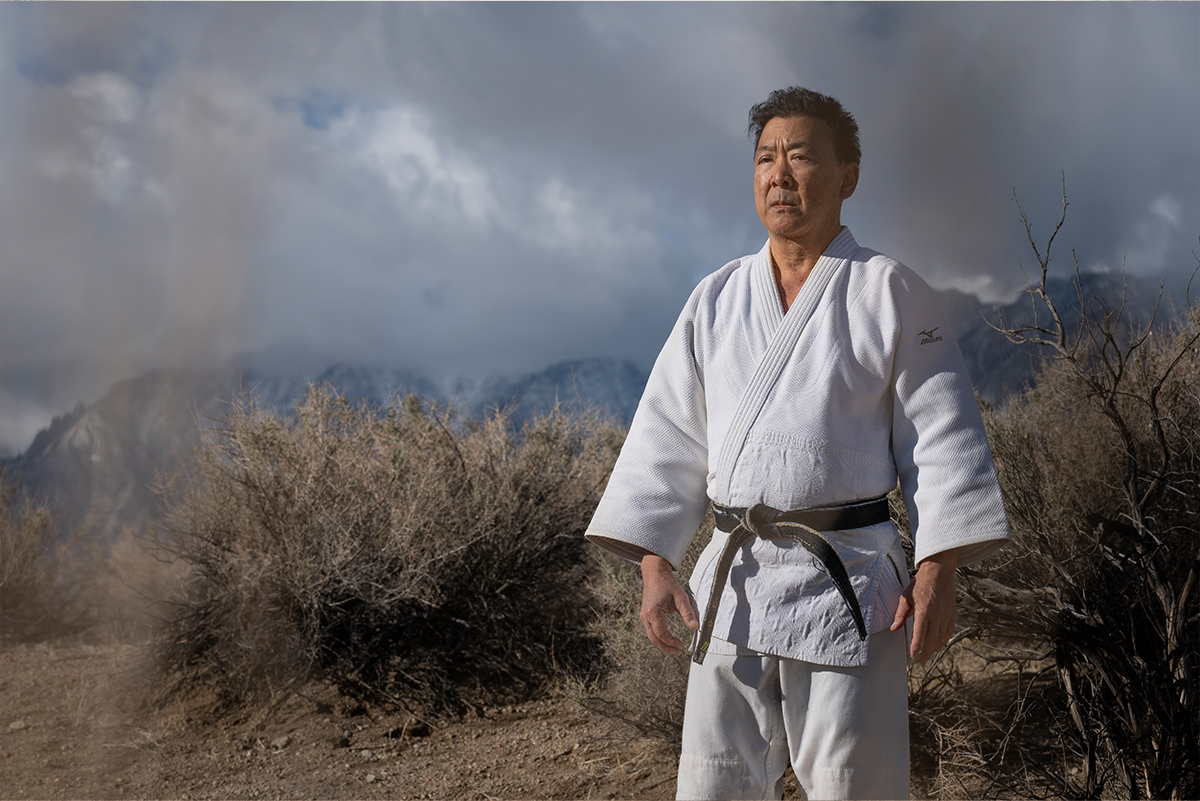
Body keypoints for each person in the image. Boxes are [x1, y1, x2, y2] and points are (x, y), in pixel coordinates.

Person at [584, 87, 1010, 801]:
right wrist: (657, 562)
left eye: (801, 156)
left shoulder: (892, 292)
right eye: (765, 158)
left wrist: (939, 567)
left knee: (855, 785)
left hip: (850, 579)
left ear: (848, 176)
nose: (780, 173)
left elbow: (942, 435)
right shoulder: (715, 299)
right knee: (715, 784)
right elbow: (667, 437)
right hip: (733, 584)